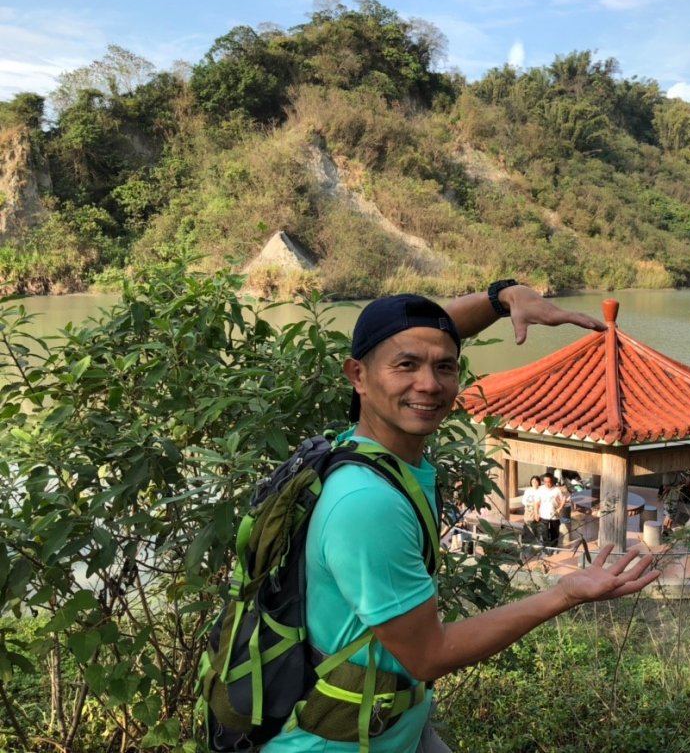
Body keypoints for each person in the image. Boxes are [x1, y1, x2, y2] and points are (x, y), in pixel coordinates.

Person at [263, 283, 660, 753]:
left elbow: (417, 337)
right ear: (358, 376)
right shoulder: (368, 503)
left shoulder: (364, 451)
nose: (429, 384)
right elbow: (429, 655)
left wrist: (500, 300)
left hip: (392, 728)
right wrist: (564, 593)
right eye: (406, 366)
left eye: (445, 367)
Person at [535, 472, 568, 548]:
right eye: (545, 482)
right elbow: (536, 502)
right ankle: (546, 548)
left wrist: (560, 508)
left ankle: (553, 548)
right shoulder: (540, 489)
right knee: (544, 533)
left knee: (555, 533)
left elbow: (563, 499)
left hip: (554, 515)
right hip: (543, 515)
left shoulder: (557, 490)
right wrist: (536, 513)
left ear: (552, 481)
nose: (547, 483)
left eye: (548, 482)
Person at [521, 475, 543, 545]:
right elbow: (524, 501)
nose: (534, 483)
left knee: (538, 527)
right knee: (528, 526)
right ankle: (528, 542)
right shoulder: (528, 491)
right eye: (533, 481)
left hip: (538, 511)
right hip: (529, 511)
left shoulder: (541, 491)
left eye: (536, 481)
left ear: (538, 482)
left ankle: (538, 542)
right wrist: (530, 505)